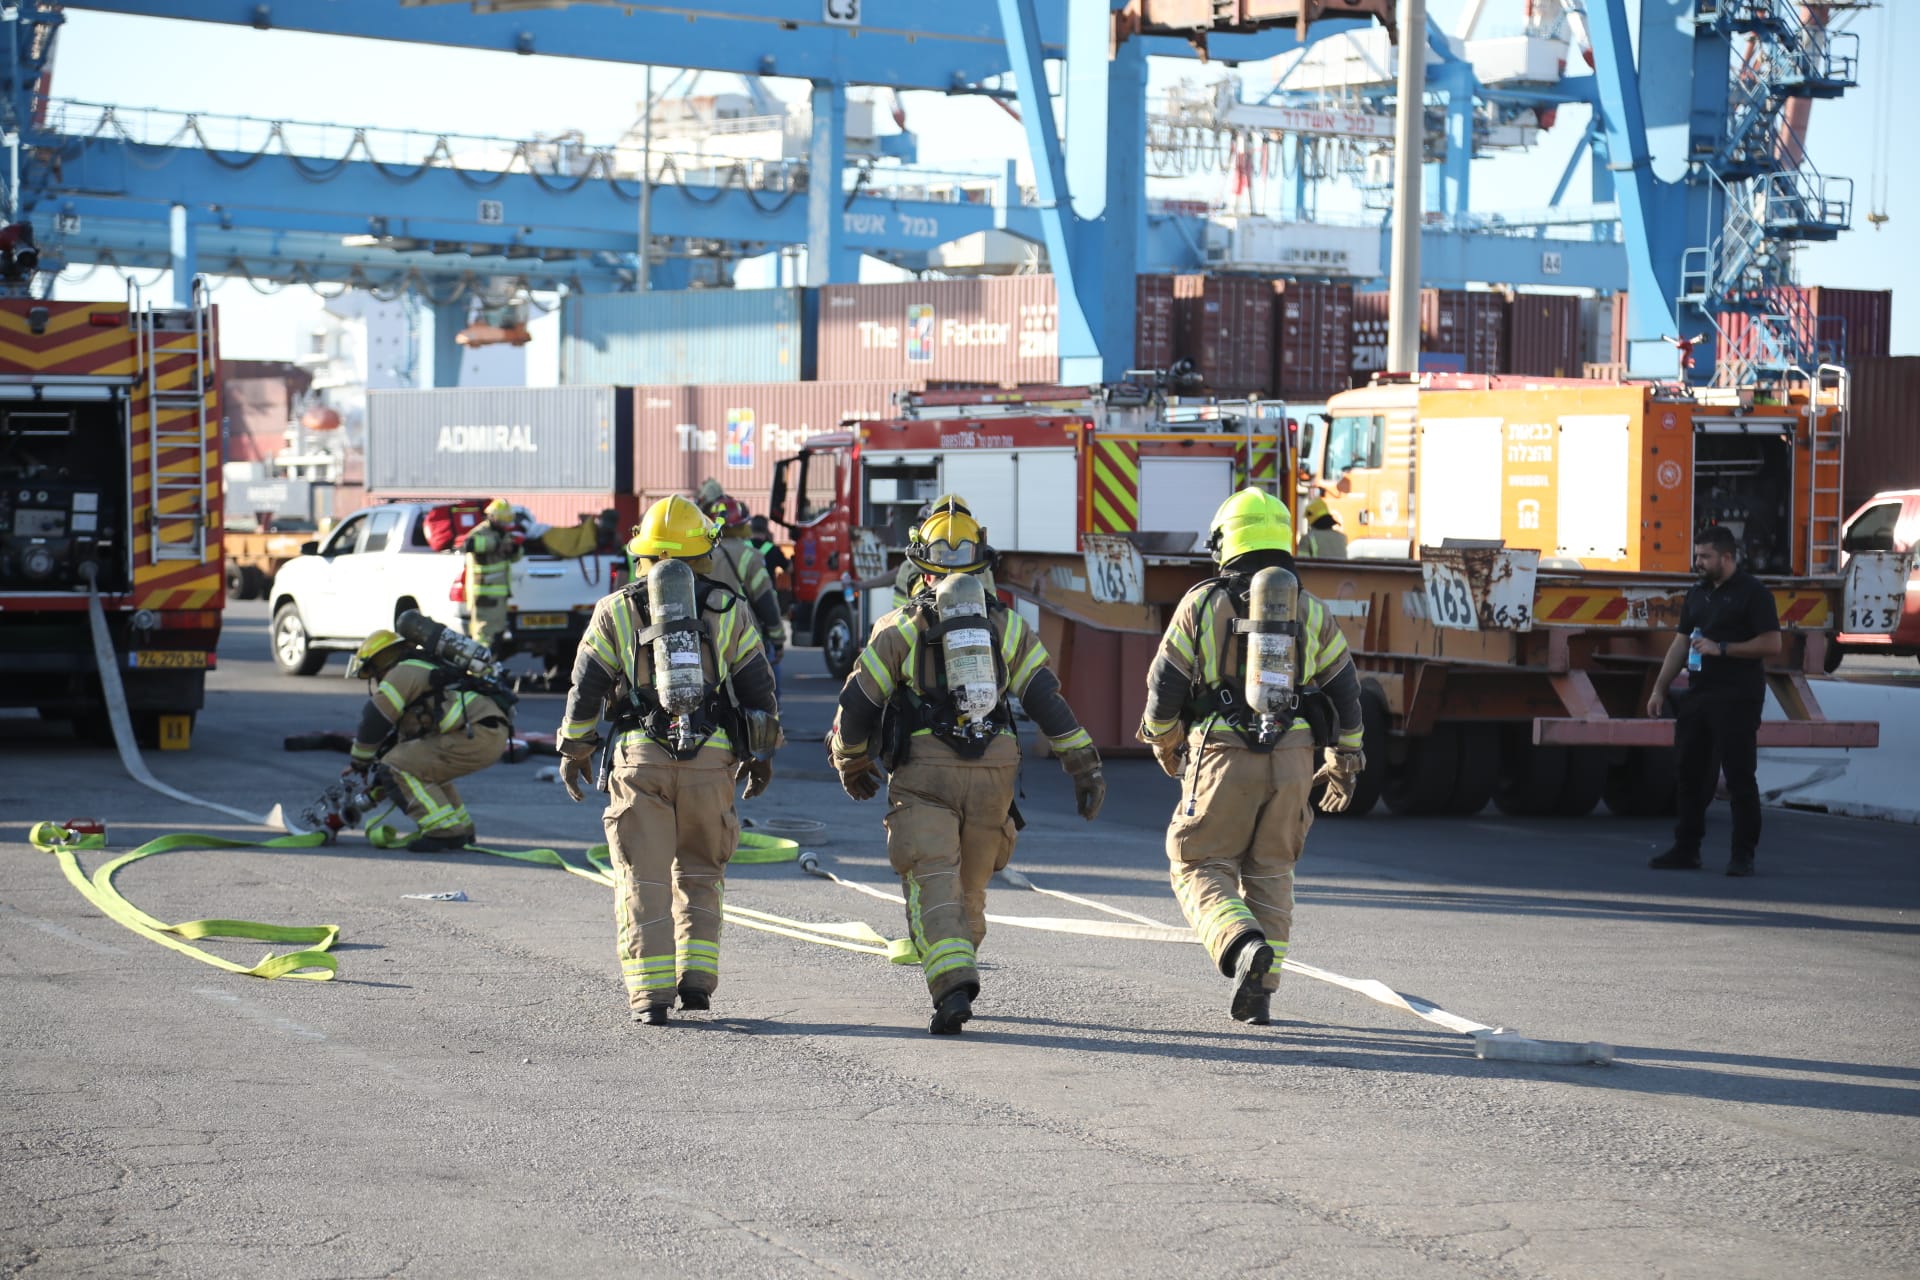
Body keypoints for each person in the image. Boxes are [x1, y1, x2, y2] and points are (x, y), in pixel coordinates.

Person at [827, 497, 1105, 1036]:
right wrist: (1084, 765)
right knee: (971, 886)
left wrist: (851, 760)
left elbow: (859, 704)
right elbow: (1046, 699)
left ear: (920, 566)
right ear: (983, 562)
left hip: (927, 772)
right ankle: (958, 959)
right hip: (996, 770)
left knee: (932, 876)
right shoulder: (1007, 626)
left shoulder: (901, 626)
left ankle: (952, 979)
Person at [1137, 489, 1364, 1026]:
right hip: (1294, 758)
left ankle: (1240, 946)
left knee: (1197, 860)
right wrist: (1345, 757)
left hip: (1222, 753)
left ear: (1226, 541)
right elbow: (1346, 689)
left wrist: (1163, 741)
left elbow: (1164, 684)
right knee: (1271, 870)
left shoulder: (1202, 603)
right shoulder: (1308, 609)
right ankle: (1261, 988)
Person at [555, 495, 780, 1025]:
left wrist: (575, 748)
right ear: (705, 554)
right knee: (701, 872)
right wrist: (762, 755)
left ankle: (649, 996)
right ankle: (697, 980)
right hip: (712, 762)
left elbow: (585, 687)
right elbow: (757, 689)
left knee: (643, 878)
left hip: (641, 760)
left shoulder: (615, 609)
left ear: (643, 554)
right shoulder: (728, 609)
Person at [1646, 525, 1781, 876]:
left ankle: (1743, 854)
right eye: (1697, 555)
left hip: (1738, 697)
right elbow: (1680, 644)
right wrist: (1660, 688)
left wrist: (1723, 649)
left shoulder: (1753, 594)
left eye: (1705, 556)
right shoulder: (1697, 593)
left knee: (1738, 777)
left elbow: (1771, 644)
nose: (1698, 562)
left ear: (1726, 557)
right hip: (1699, 694)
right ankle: (1686, 849)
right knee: (1690, 773)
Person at [344, 628, 514, 853]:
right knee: (422, 769)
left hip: (474, 734)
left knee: (396, 766)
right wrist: (377, 784)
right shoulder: (423, 670)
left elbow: (374, 718)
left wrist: (359, 761)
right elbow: (406, 750)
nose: (377, 680)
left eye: (374, 672)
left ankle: (442, 832)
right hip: (487, 733)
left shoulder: (402, 672)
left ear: (379, 661)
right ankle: (462, 829)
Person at [703, 495, 786, 668]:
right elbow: (766, 601)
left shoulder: (699, 555)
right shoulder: (750, 556)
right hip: (743, 638)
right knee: (762, 690)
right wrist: (777, 639)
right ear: (741, 525)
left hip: (705, 639)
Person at [461, 498, 522, 646]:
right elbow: (469, 545)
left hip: (499, 596)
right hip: (483, 594)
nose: (505, 524)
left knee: (497, 635)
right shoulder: (480, 532)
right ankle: (478, 667)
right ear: (492, 517)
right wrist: (496, 545)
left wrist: (513, 549)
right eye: (502, 520)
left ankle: (491, 665)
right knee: (483, 634)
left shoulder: (503, 534)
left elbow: (515, 556)